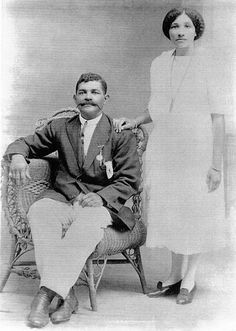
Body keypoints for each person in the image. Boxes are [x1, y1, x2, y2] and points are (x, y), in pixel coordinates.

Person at [113, 8, 231, 304]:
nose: (180, 31)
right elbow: (158, 107)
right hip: (166, 147)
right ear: (168, 31)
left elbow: (218, 118)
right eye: (174, 26)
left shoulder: (210, 64)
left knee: (195, 211)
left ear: (196, 30)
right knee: (172, 211)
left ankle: (190, 278)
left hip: (198, 147)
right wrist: (137, 120)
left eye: (186, 26)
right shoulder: (159, 63)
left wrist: (215, 165)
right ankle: (174, 274)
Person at [4, 72, 141, 327]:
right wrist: (18, 157)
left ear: (105, 98)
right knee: (40, 212)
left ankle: (44, 296)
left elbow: (130, 180)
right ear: (75, 97)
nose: (88, 97)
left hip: (101, 204)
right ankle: (67, 297)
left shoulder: (120, 133)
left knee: (87, 224)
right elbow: (24, 143)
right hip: (63, 197)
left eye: (94, 92)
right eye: (82, 92)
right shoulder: (60, 127)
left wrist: (101, 197)